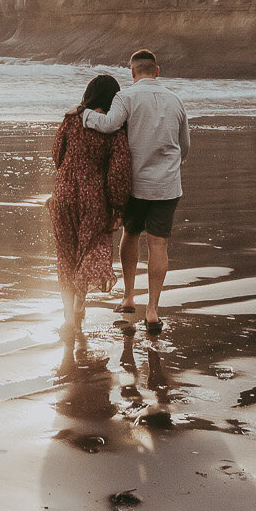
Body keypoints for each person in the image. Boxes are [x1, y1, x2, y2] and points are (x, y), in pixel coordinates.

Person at [82, 48, 190, 332]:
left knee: (130, 234)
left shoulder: (125, 97)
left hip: (136, 185)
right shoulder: (176, 100)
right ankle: (152, 311)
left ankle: (128, 297)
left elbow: (107, 125)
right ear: (157, 70)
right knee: (159, 245)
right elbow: (185, 145)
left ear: (132, 73)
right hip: (167, 185)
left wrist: (83, 115)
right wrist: (169, 168)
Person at [49, 74, 132, 331]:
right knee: (89, 251)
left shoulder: (70, 120)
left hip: (63, 194)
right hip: (93, 199)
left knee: (66, 254)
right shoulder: (113, 129)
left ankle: (69, 314)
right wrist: (118, 208)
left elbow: (56, 154)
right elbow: (118, 173)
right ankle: (79, 305)